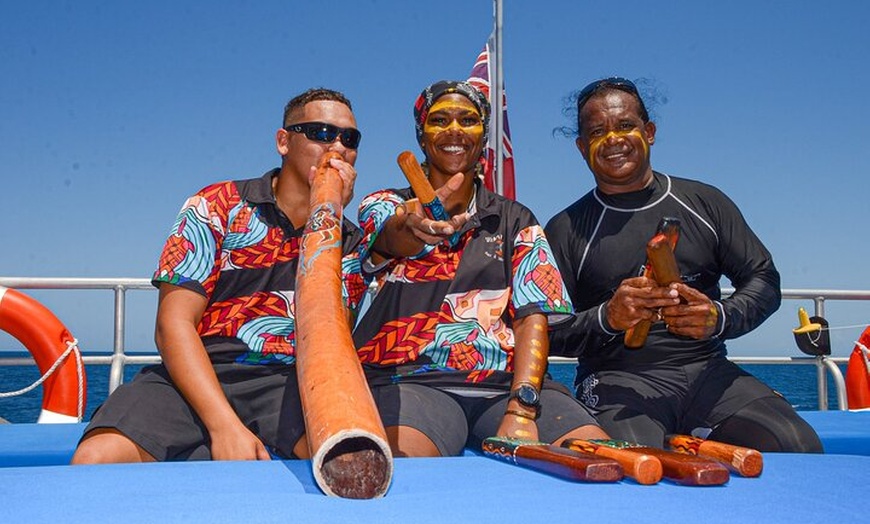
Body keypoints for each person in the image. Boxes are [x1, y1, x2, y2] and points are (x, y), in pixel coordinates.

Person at [71, 88, 366, 463]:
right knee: (97, 458)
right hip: (198, 371)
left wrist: (328, 217)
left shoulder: (350, 242)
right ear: (283, 141)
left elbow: (330, 336)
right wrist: (223, 424)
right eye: (321, 133)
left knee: (349, 465)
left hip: (290, 381)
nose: (337, 147)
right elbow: (173, 324)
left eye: (349, 138)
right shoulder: (217, 205)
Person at [545, 77, 823, 452]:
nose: (613, 139)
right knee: (633, 467)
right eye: (597, 131)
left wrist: (718, 317)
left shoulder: (705, 203)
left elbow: (764, 279)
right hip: (616, 381)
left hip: (709, 372)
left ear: (650, 131)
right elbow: (546, 330)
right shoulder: (565, 229)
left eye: (626, 125)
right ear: (582, 147)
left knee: (797, 445)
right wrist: (607, 318)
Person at [352, 80, 608, 458]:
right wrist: (416, 227)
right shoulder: (386, 205)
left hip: (506, 385)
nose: (454, 130)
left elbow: (531, 317)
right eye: (439, 120)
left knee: (599, 458)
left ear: (483, 135)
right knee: (401, 468)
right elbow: (393, 236)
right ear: (422, 137)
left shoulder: (515, 219)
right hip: (409, 381)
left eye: (467, 120)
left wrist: (522, 407)